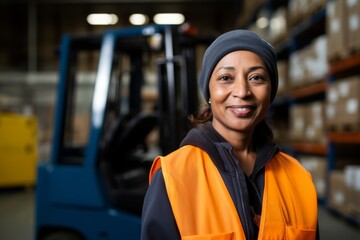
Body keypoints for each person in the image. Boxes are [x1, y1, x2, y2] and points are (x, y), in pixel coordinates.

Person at [141, 29, 319, 240]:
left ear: (270, 91)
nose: (242, 91)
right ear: (208, 92)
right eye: (226, 78)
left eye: (256, 77)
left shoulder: (298, 177)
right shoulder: (172, 177)